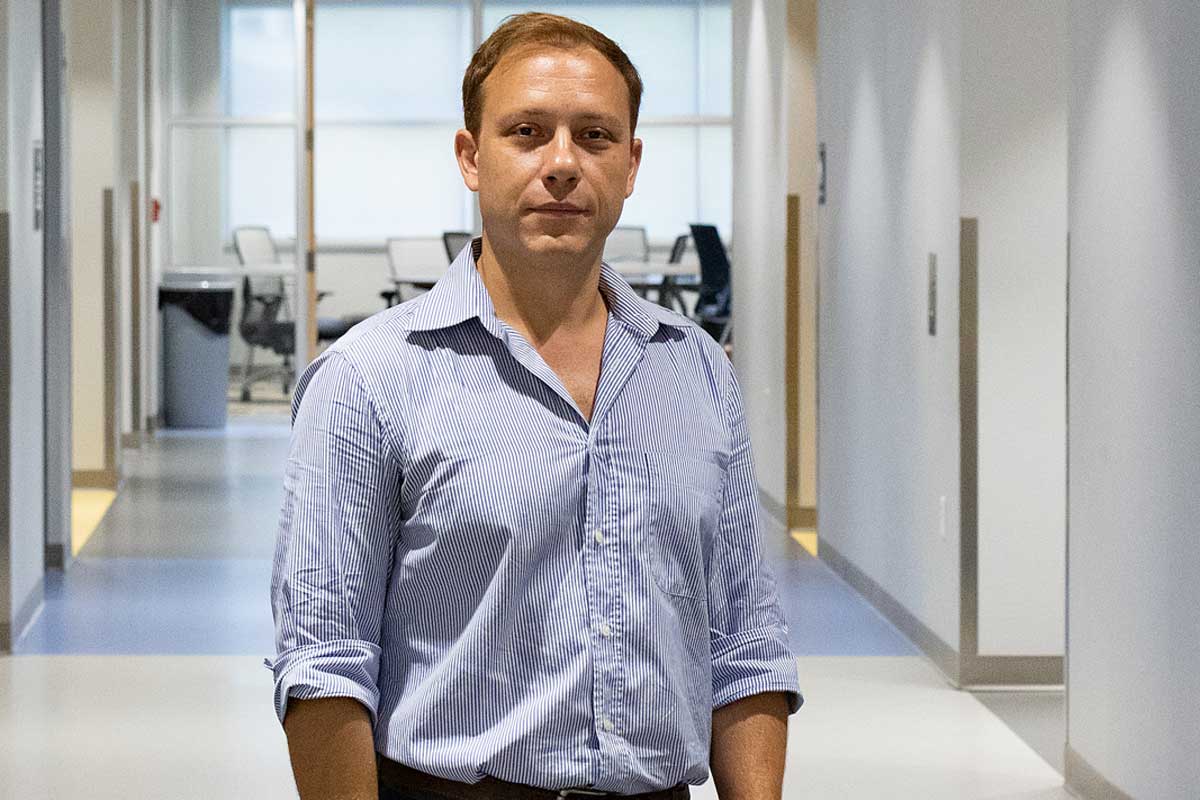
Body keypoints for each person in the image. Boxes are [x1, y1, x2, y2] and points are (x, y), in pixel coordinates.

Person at [267, 12, 802, 800]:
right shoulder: (369, 378)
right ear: (471, 157)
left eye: (594, 136)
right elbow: (323, 665)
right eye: (526, 131)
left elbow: (745, 646)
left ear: (630, 164)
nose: (562, 164)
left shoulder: (695, 372)